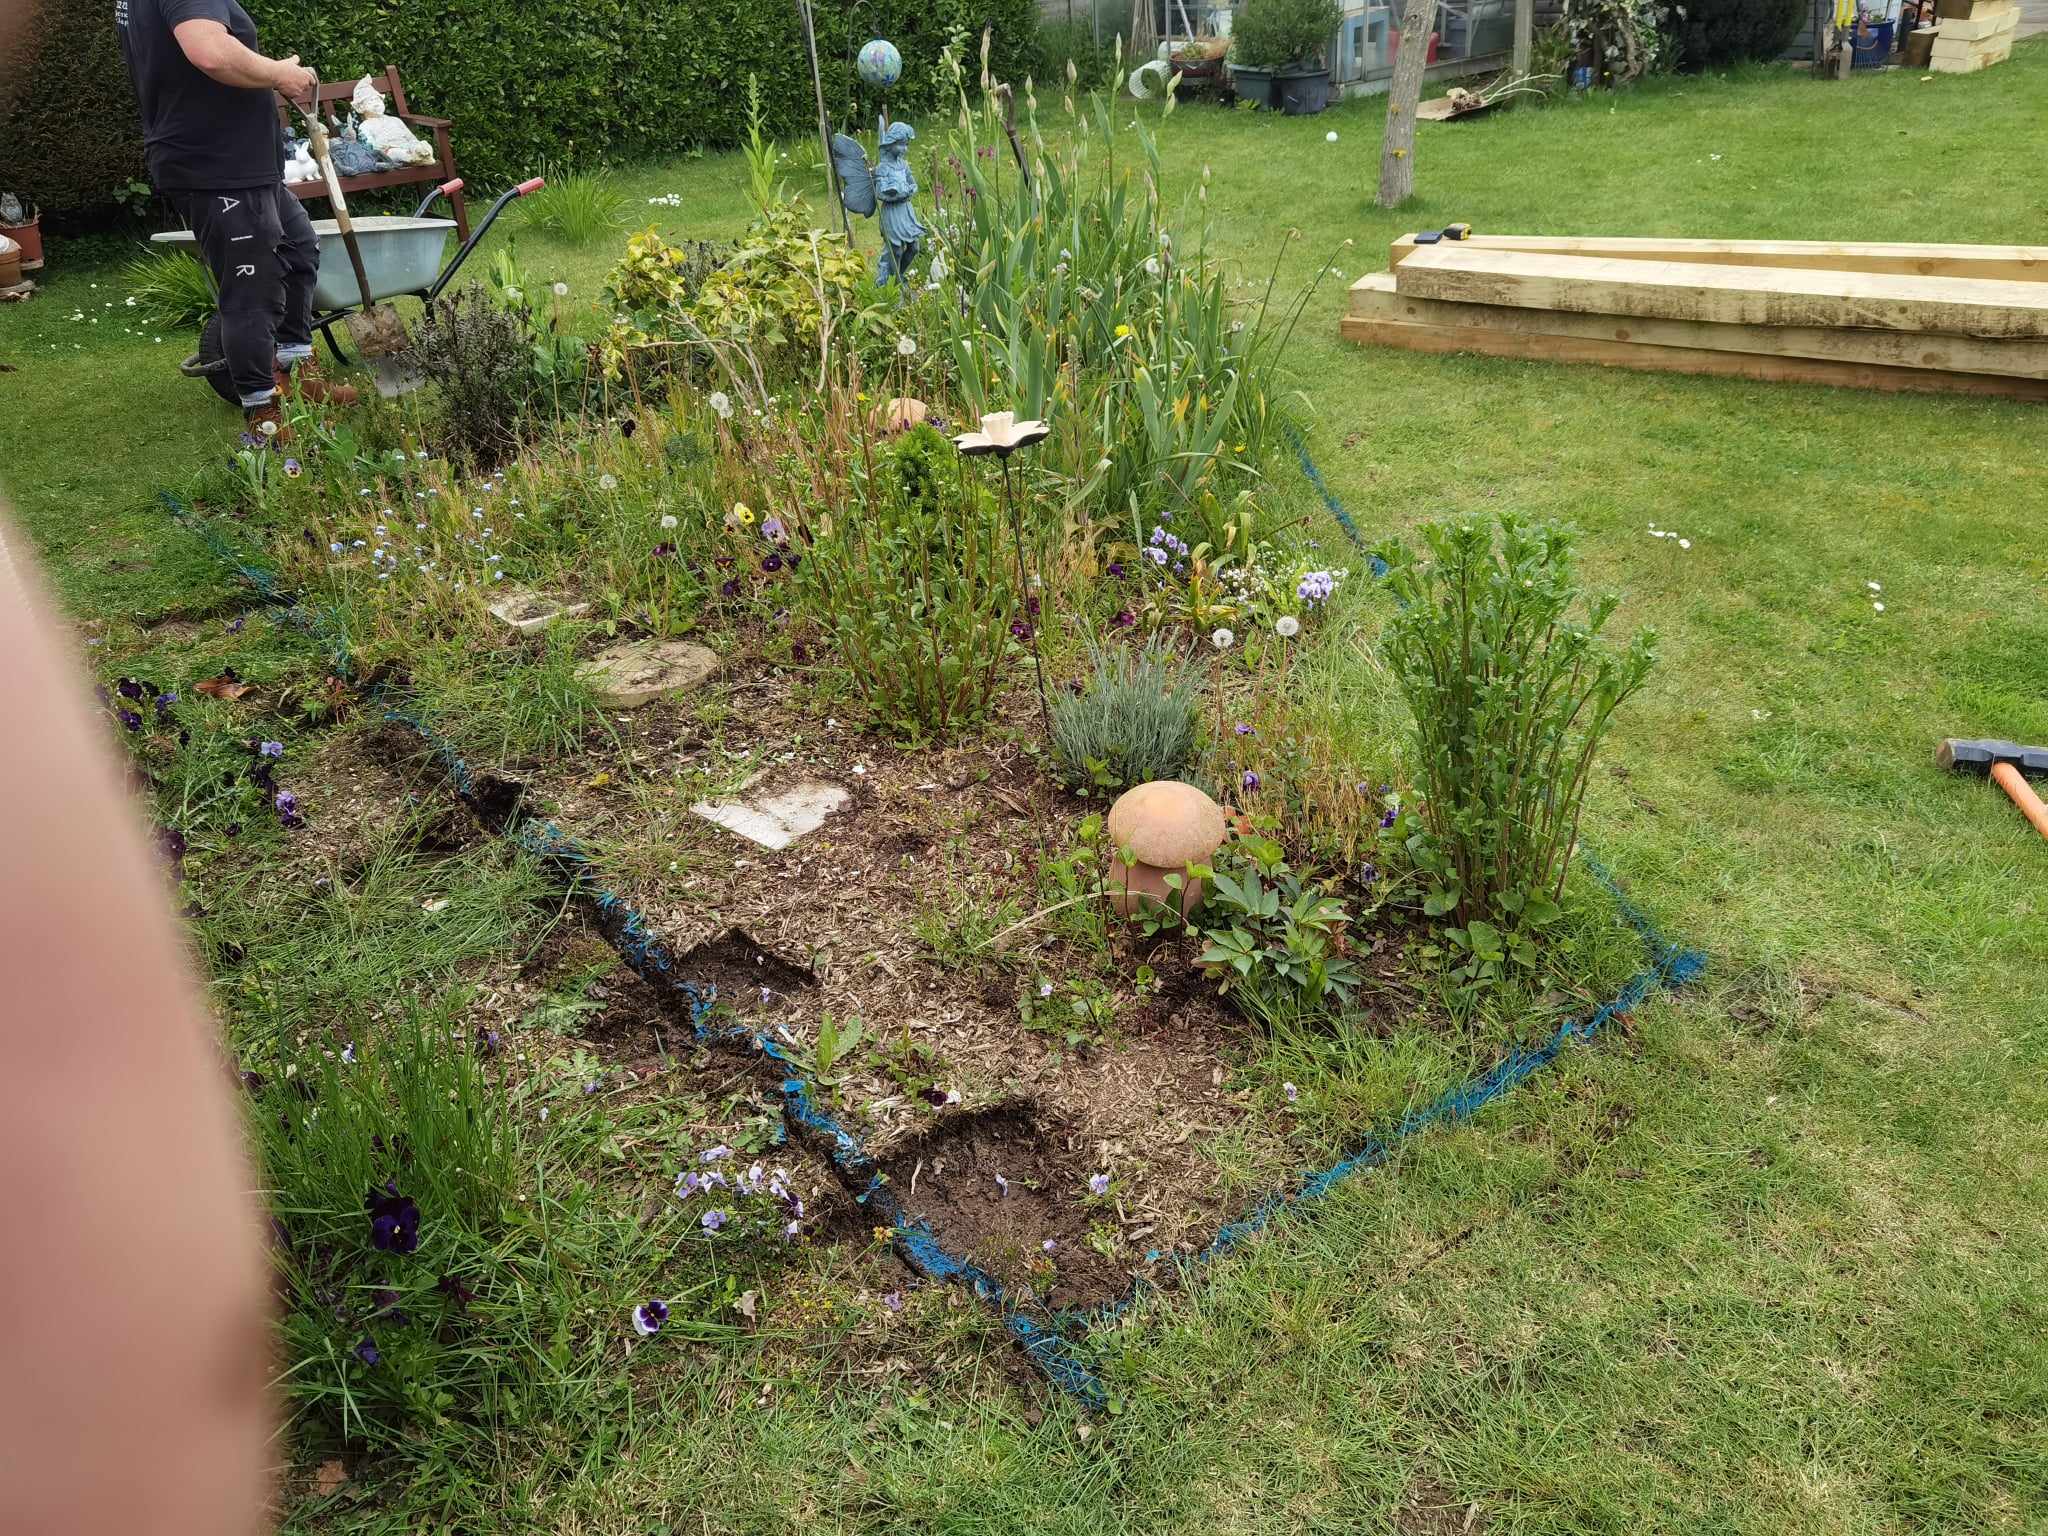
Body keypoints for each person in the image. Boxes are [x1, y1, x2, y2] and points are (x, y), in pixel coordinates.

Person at [116, 0, 357, 437]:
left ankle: (298, 370)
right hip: (217, 163)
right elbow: (209, 52)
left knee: (299, 248)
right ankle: (262, 410)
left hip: (236, 161)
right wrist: (278, 73)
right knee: (252, 288)